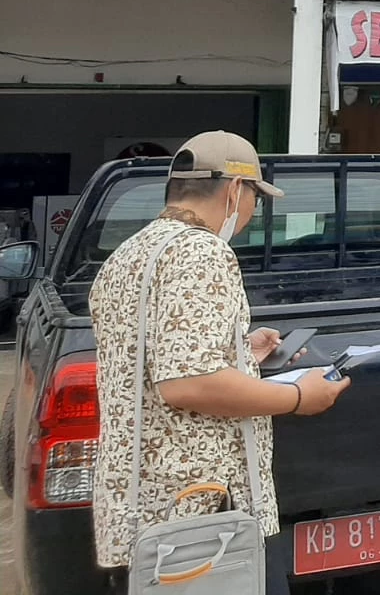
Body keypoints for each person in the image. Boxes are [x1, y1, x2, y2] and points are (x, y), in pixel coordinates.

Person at [90, 131, 350, 593]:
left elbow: (156, 357)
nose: (251, 211)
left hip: (144, 503)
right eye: (254, 196)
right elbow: (188, 383)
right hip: (198, 512)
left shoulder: (132, 252)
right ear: (234, 190)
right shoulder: (201, 251)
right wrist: (296, 397)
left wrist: (239, 352)